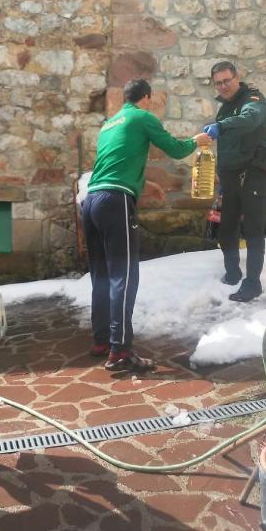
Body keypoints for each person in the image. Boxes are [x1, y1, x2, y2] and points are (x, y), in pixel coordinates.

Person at [82, 78, 212, 372]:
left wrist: (146, 183)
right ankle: (120, 352)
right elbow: (177, 150)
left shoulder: (109, 124)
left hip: (91, 202)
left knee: (101, 276)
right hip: (115, 202)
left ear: (124, 97)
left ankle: (102, 340)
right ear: (148, 98)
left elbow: (113, 164)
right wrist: (197, 141)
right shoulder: (142, 117)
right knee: (124, 277)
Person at [203, 61, 266, 303]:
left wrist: (221, 126)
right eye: (218, 83)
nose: (223, 86)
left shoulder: (253, 99)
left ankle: (253, 283)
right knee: (227, 229)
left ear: (236, 78)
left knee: (253, 230)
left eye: (227, 80)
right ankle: (232, 273)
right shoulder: (224, 107)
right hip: (231, 177)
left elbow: (250, 120)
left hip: (253, 173)